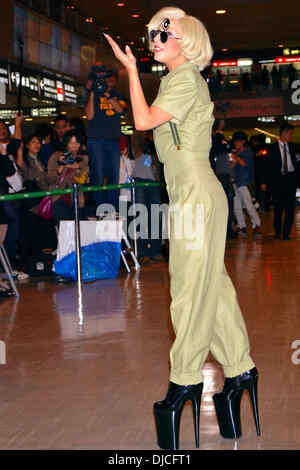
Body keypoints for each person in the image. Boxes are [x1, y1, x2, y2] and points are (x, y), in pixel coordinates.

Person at [105, 6, 260, 450]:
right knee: (213, 285)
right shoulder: (177, 80)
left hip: (194, 192)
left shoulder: (187, 78)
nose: (155, 38)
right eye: (152, 32)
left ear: (186, 39)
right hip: (193, 191)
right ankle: (241, 369)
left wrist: (131, 71)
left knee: (190, 289)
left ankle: (185, 381)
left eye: (164, 33)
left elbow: (143, 122)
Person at [84, 66, 127, 211]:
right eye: (106, 78)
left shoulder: (119, 96)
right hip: (96, 140)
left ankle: (113, 208)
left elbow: (121, 110)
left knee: (113, 176)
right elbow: (89, 116)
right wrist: (92, 92)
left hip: (113, 140)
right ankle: (102, 208)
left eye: (112, 78)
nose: (109, 80)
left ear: (115, 81)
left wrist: (107, 95)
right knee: (98, 176)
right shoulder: (94, 95)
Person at [16, 134, 57, 274]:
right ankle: (26, 265)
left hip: (42, 203)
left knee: (41, 235)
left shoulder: (41, 161)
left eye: (38, 141)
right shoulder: (25, 160)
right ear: (27, 145)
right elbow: (29, 175)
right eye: (33, 142)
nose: (36, 144)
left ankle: (41, 265)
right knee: (29, 236)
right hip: (31, 205)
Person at [130, 130, 164, 266]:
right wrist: (145, 145)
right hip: (139, 183)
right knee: (141, 218)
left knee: (156, 218)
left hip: (154, 183)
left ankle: (156, 251)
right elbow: (136, 154)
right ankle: (143, 252)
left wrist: (154, 148)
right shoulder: (135, 145)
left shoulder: (155, 145)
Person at [47, 130, 89, 227]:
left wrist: (77, 167)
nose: (74, 146)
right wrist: (61, 167)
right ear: (66, 143)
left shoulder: (82, 159)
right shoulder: (56, 156)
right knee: (65, 234)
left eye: (77, 143)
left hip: (77, 201)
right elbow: (49, 179)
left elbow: (83, 180)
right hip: (59, 199)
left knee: (78, 232)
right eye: (71, 143)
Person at [267, 123, 300, 240]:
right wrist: (265, 182)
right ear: (283, 133)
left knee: (290, 208)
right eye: (290, 133)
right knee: (278, 208)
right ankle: (277, 231)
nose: (291, 135)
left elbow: (297, 163)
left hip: (290, 179)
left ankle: (286, 233)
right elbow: (268, 167)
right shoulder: (272, 148)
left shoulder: (293, 146)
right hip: (278, 180)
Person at [232, 131, 262, 236]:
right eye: (235, 141)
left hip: (245, 183)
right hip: (235, 183)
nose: (236, 143)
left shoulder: (247, 151)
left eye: (238, 141)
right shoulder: (235, 152)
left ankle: (257, 225)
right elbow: (232, 167)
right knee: (237, 207)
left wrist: (236, 157)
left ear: (243, 141)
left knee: (249, 205)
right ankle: (241, 226)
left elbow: (244, 164)